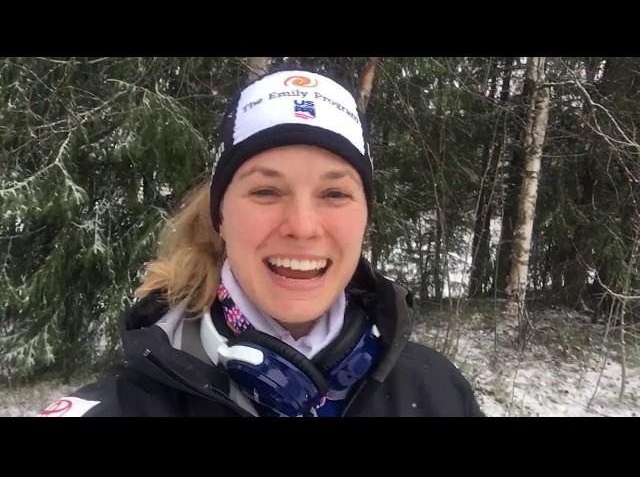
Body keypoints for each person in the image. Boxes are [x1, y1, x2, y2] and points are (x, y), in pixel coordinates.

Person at [38, 67, 483, 417]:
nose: (304, 227)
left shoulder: (440, 394)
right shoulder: (125, 405)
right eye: (266, 191)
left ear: (365, 217)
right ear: (221, 218)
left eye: (335, 193)